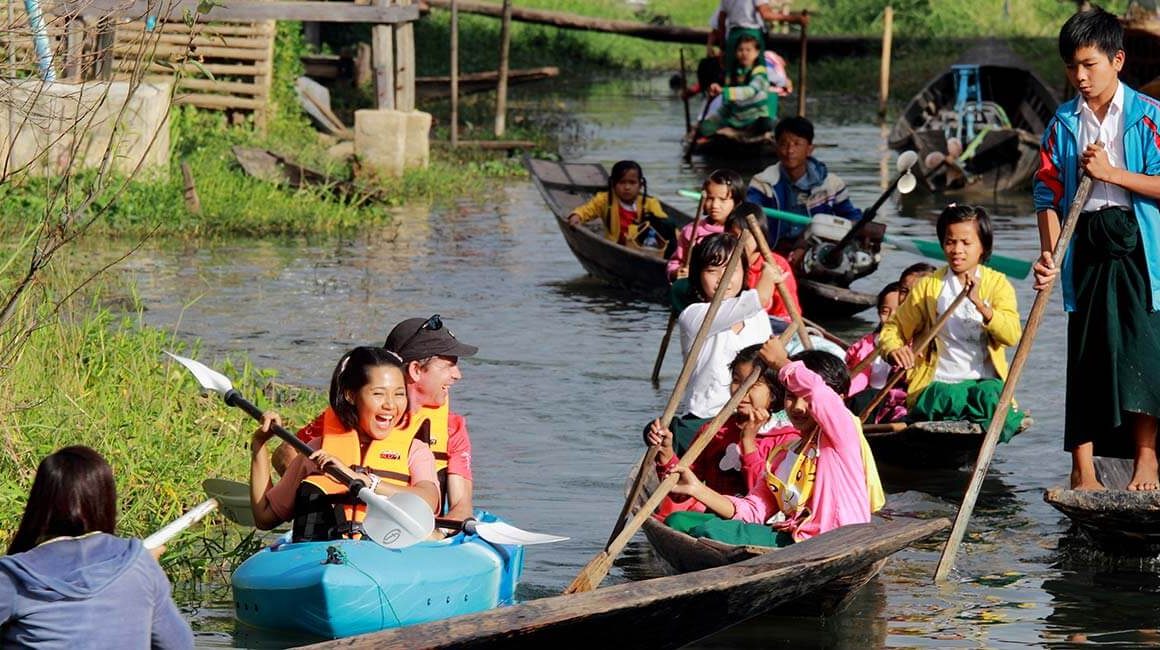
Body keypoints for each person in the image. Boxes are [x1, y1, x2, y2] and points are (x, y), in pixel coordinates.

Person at [1033, 7, 1160, 490]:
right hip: (1083, 244)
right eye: (1071, 67)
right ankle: (1082, 467)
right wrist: (1052, 254)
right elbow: (1047, 195)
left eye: (1090, 64)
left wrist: (1112, 175)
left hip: (1138, 246)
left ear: (1118, 60)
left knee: (1143, 347)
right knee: (1086, 353)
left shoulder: (1149, 118)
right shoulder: (1063, 124)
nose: (1080, 77)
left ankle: (1147, 457)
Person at [662, 339, 884, 547]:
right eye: (790, 396)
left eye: (805, 398)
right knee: (680, 521)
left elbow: (818, 392)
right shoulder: (784, 455)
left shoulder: (842, 433)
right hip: (795, 539)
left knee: (711, 532)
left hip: (836, 541)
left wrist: (782, 363)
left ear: (838, 401)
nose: (798, 407)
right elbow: (753, 510)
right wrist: (697, 489)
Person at [274, 317, 479, 522]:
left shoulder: (452, 427)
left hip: (413, 533)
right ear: (416, 370)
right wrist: (309, 492)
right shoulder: (352, 416)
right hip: (341, 528)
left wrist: (437, 534)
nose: (457, 375)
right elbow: (285, 452)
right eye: (449, 365)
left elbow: (461, 507)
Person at [0, 446, 194, 649]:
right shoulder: (141, 564)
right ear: (106, 500)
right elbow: (180, 645)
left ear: (39, 502)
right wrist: (145, 570)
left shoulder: (12, 576)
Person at [251, 347, 440, 541]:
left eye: (399, 394)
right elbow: (264, 517)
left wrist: (367, 482)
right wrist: (259, 445)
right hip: (319, 559)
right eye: (378, 394)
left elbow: (429, 501)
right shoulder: (316, 451)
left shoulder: (414, 451)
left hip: (384, 557)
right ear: (351, 395)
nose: (390, 405)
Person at [879, 205, 1025, 441]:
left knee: (991, 396)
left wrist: (981, 305)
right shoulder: (929, 287)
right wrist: (893, 349)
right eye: (950, 242)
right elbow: (893, 329)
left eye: (966, 243)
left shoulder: (997, 285)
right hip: (939, 384)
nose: (957, 250)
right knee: (944, 396)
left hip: (983, 382)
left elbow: (1011, 335)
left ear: (983, 247)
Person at [671, 233, 778, 455]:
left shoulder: (757, 315)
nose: (723, 278)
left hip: (753, 416)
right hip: (706, 417)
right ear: (698, 276)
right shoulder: (693, 315)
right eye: (712, 270)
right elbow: (760, 297)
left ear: (745, 273)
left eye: (732, 270)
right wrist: (768, 277)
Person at [647, 344, 782, 519]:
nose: (741, 390)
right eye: (736, 381)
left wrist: (748, 443)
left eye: (753, 384)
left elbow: (764, 501)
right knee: (677, 520)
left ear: (773, 394)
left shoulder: (785, 440)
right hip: (713, 519)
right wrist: (666, 453)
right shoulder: (714, 431)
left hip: (759, 526)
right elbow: (681, 491)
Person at [747, 116, 864, 254]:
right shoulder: (762, 183)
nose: (790, 150)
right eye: (784, 144)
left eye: (797, 144)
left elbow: (850, 216)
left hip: (816, 251)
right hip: (774, 252)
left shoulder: (832, 184)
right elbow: (750, 215)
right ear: (776, 147)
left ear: (809, 149)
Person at [566, 160, 671, 250]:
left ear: (640, 185)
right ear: (613, 184)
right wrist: (577, 215)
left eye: (632, 183)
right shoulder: (605, 200)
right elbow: (588, 209)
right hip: (615, 246)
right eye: (622, 182)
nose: (627, 187)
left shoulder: (650, 203)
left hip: (643, 247)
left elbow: (664, 224)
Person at [725, 203, 801, 323]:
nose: (739, 244)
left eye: (746, 238)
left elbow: (786, 313)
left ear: (760, 236)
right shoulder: (722, 263)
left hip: (770, 327)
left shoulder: (777, 264)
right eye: (733, 237)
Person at [845, 281, 907, 423]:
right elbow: (855, 385)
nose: (891, 318)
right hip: (869, 406)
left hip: (898, 406)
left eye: (899, 311)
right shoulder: (865, 346)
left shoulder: (915, 347)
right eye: (885, 312)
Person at [667, 169, 745, 280]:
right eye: (710, 198)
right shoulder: (691, 231)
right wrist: (676, 273)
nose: (714, 205)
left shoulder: (739, 232)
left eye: (722, 200)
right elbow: (676, 262)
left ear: (737, 203)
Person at [698, 35, 773, 138]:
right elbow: (728, 105)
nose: (744, 53)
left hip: (755, 119)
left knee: (766, 123)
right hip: (736, 120)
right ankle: (734, 131)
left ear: (756, 53)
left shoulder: (759, 72)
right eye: (740, 50)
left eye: (748, 50)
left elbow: (750, 91)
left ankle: (738, 133)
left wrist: (723, 91)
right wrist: (711, 120)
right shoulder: (735, 73)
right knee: (704, 128)